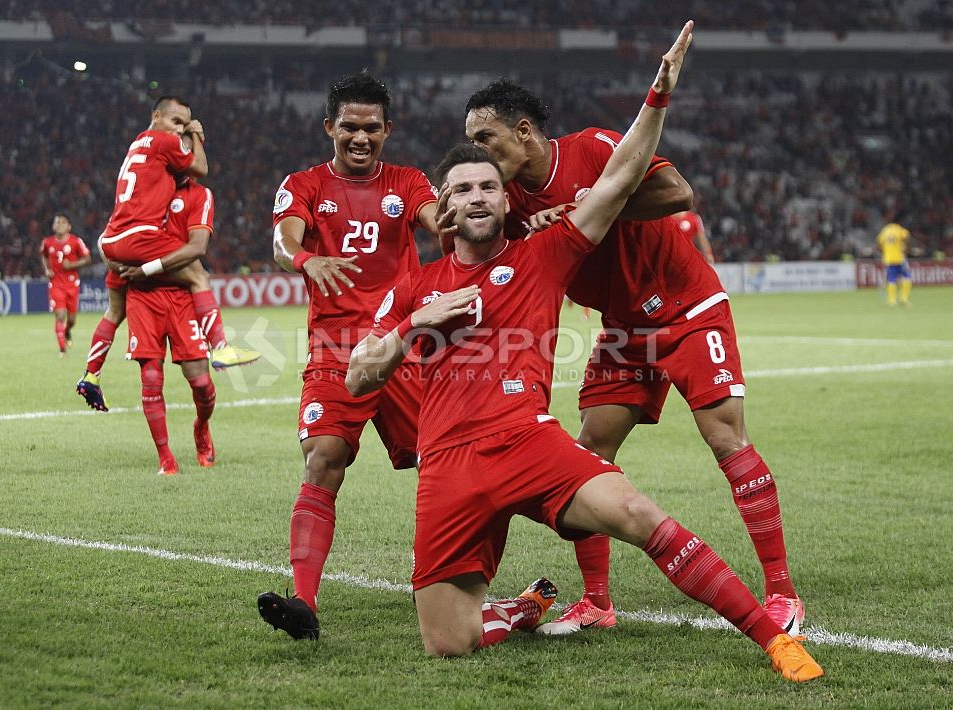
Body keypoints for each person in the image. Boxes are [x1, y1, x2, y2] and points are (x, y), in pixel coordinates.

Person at [344, 23, 821, 681]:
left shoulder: (548, 233)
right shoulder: (429, 278)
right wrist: (414, 323)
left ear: (521, 137)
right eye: (463, 185)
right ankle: (576, 603)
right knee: (447, 642)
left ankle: (777, 614)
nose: (479, 188)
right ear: (445, 206)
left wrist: (657, 96)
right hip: (476, 442)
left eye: (486, 164)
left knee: (691, 463)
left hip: (666, 322)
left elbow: (645, 182)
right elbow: (360, 372)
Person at [463, 79, 803, 637]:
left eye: (486, 138)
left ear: (523, 131)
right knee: (590, 451)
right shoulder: (510, 201)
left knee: (725, 438)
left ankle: (782, 592)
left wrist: (585, 207)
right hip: (623, 329)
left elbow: (677, 193)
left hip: (685, 306)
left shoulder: (592, 148)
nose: (480, 151)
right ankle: (597, 603)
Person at [256, 73, 443, 641]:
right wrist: (304, 260)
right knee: (323, 458)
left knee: (446, 461)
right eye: (349, 127)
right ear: (329, 128)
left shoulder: (409, 182)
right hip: (335, 348)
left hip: (402, 345)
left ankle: (454, 580)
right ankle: (304, 602)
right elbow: (283, 237)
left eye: (371, 128)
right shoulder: (306, 183)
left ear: (387, 129)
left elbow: (437, 222)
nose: (360, 138)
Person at [77, 96, 257, 411]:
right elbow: (200, 168)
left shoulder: (138, 145)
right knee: (198, 274)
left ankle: (91, 374)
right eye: (176, 122)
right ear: (156, 116)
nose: (178, 132)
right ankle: (222, 347)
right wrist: (197, 135)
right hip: (139, 238)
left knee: (114, 311)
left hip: (110, 239)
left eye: (183, 126)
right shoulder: (163, 142)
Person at [111, 172, 222, 473]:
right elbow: (116, 236)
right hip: (143, 297)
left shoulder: (198, 195)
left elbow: (197, 246)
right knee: (150, 377)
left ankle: (201, 426)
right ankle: (165, 457)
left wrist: (147, 267)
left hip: (181, 295)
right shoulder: (142, 188)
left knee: (200, 381)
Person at [41, 214, 91, 355]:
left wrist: (72, 265)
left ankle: (67, 330)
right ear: (53, 226)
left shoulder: (76, 242)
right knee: (60, 315)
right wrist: (47, 269)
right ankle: (62, 349)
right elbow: (44, 256)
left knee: (72, 320)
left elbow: (87, 259)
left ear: (69, 226)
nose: (60, 225)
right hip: (56, 284)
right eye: (57, 222)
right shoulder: (47, 242)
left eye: (63, 222)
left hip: (72, 284)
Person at [876, 213, 911, 306]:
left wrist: (885, 251)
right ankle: (904, 298)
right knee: (906, 276)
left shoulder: (885, 230)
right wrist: (904, 248)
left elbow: (878, 244)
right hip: (900, 258)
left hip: (889, 259)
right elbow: (907, 237)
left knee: (891, 279)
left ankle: (891, 300)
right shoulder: (899, 229)